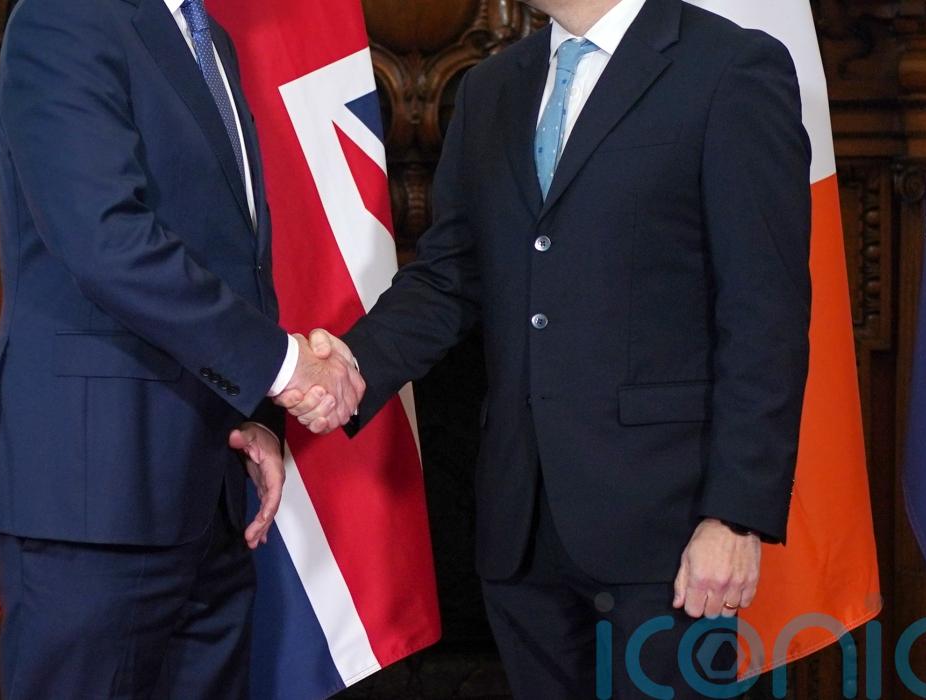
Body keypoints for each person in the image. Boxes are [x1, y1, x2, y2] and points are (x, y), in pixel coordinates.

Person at [279, 0, 812, 695]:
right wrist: (352, 364)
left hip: (669, 530)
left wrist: (735, 515)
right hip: (521, 528)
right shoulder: (493, 86)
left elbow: (765, 315)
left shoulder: (730, 68)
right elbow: (451, 274)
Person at [0, 0, 363, 696]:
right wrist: (285, 368)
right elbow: (107, 241)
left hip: (207, 488)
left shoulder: (208, 39)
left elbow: (226, 252)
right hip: (96, 492)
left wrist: (251, 417)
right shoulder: (65, 16)